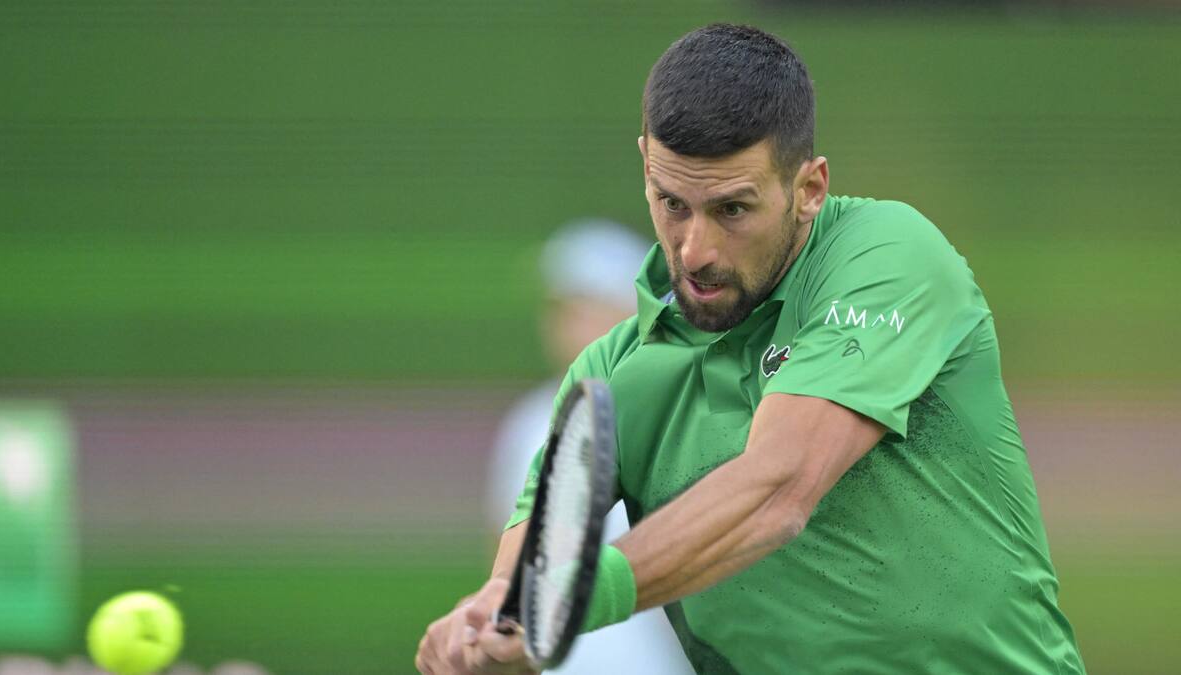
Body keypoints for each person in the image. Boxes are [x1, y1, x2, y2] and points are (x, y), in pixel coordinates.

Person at [417, 23, 1086, 674]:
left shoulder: (888, 255)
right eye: (671, 202)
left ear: (809, 188)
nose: (695, 250)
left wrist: (573, 597)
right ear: (646, 164)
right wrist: (484, 635)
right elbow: (520, 590)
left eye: (732, 209)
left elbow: (780, 488)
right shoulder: (611, 372)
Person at [485, 219, 694, 675]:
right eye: (559, 308)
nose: (562, 323)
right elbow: (501, 569)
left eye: (581, 306)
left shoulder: (683, 416)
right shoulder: (527, 423)